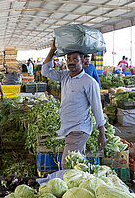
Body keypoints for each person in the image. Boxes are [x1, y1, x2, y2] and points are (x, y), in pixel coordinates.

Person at [41, 40, 106, 169]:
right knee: (77, 166)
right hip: (68, 128)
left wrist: (102, 133)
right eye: (68, 59)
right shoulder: (64, 76)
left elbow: (97, 108)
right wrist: (52, 50)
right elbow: (45, 71)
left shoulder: (89, 82)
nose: (71, 62)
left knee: (67, 166)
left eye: (75, 59)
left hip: (79, 129)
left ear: (82, 61)